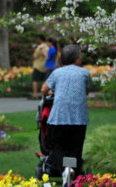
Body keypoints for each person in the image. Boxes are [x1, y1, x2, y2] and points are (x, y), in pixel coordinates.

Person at [41, 44, 90, 177]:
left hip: (59, 118)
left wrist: (52, 91)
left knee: (56, 145)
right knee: (75, 147)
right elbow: (86, 91)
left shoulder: (57, 72)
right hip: (79, 119)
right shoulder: (85, 73)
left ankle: (64, 169)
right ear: (77, 59)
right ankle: (72, 171)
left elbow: (44, 89)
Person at [31, 35, 49, 100]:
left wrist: (34, 50)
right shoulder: (47, 47)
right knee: (43, 80)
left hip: (37, 65)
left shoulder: (39, 47)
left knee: (34, 80)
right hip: (44, 65)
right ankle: (43, 94)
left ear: (40, 39)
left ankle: (35, 94)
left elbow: (35, 56)